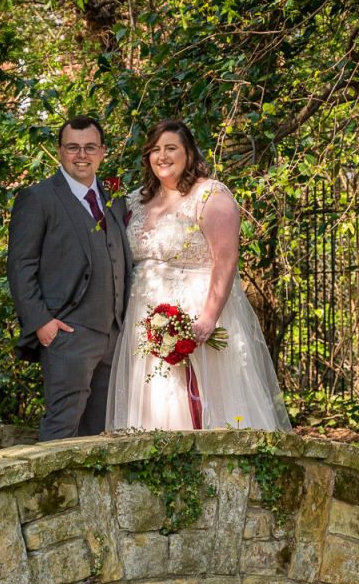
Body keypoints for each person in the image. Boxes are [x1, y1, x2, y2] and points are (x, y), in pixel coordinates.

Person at [106, 119, 291, 432]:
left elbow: (226, 260)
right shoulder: (136, 200)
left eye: (171, 148)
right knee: (155, 401)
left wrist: (207, 318)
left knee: (203, 401)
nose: (162, 156)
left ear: (188, 153)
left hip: (194, 311)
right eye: (155, 149)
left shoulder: (210, 195)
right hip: (141, 318)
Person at [8, 116, 133, 441]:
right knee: (61, 431)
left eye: (90, 147)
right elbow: (21, 266)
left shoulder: (114, 198)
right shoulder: (38, 198)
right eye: (73, 148)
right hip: (67, 335)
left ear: (102, 151)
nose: (82, 155)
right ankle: (52, 494)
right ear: (61, 151)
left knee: (102, 432)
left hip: (114, 336)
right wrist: (41, 322)